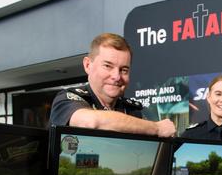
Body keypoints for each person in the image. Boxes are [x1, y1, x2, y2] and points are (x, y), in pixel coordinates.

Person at [48, 33, 176, 137]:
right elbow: (91, 122)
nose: (117, 76)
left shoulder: (133, 111)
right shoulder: (67, 99)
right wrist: (156, 128)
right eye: (108, 66)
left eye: (124, 70)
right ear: (87, 65)